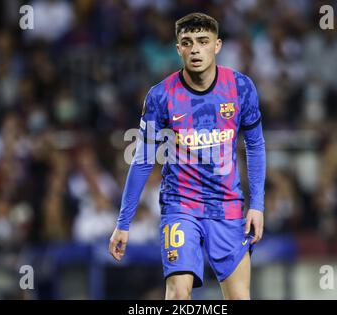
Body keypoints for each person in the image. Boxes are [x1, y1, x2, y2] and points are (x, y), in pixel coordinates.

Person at [109, 12, 266, 300]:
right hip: (181, 206)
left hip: (227, 207)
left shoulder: (241, 87)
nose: (195, 49)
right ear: (178, 47)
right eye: (187, 42)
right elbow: (143, 158)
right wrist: (123, 223)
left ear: (217, 45)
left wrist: (257, 205)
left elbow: (255, 146)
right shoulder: (160, 96)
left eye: (203, 41)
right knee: (179, 294)